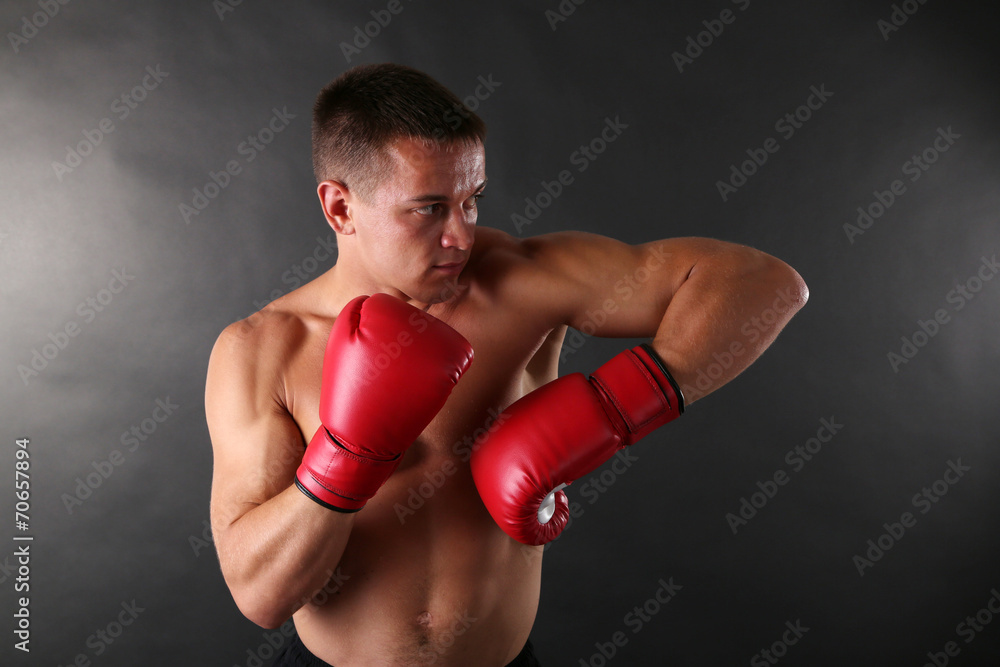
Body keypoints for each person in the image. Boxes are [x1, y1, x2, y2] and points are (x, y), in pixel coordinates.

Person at [205, 62, 808, 667]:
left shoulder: (519, 282)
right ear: (341, 208)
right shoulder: (264, 349)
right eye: (429, 208)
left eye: (472, 200)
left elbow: (762, 283)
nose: (461, 236)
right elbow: (261, 597)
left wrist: (615, 407)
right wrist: (344, 460)